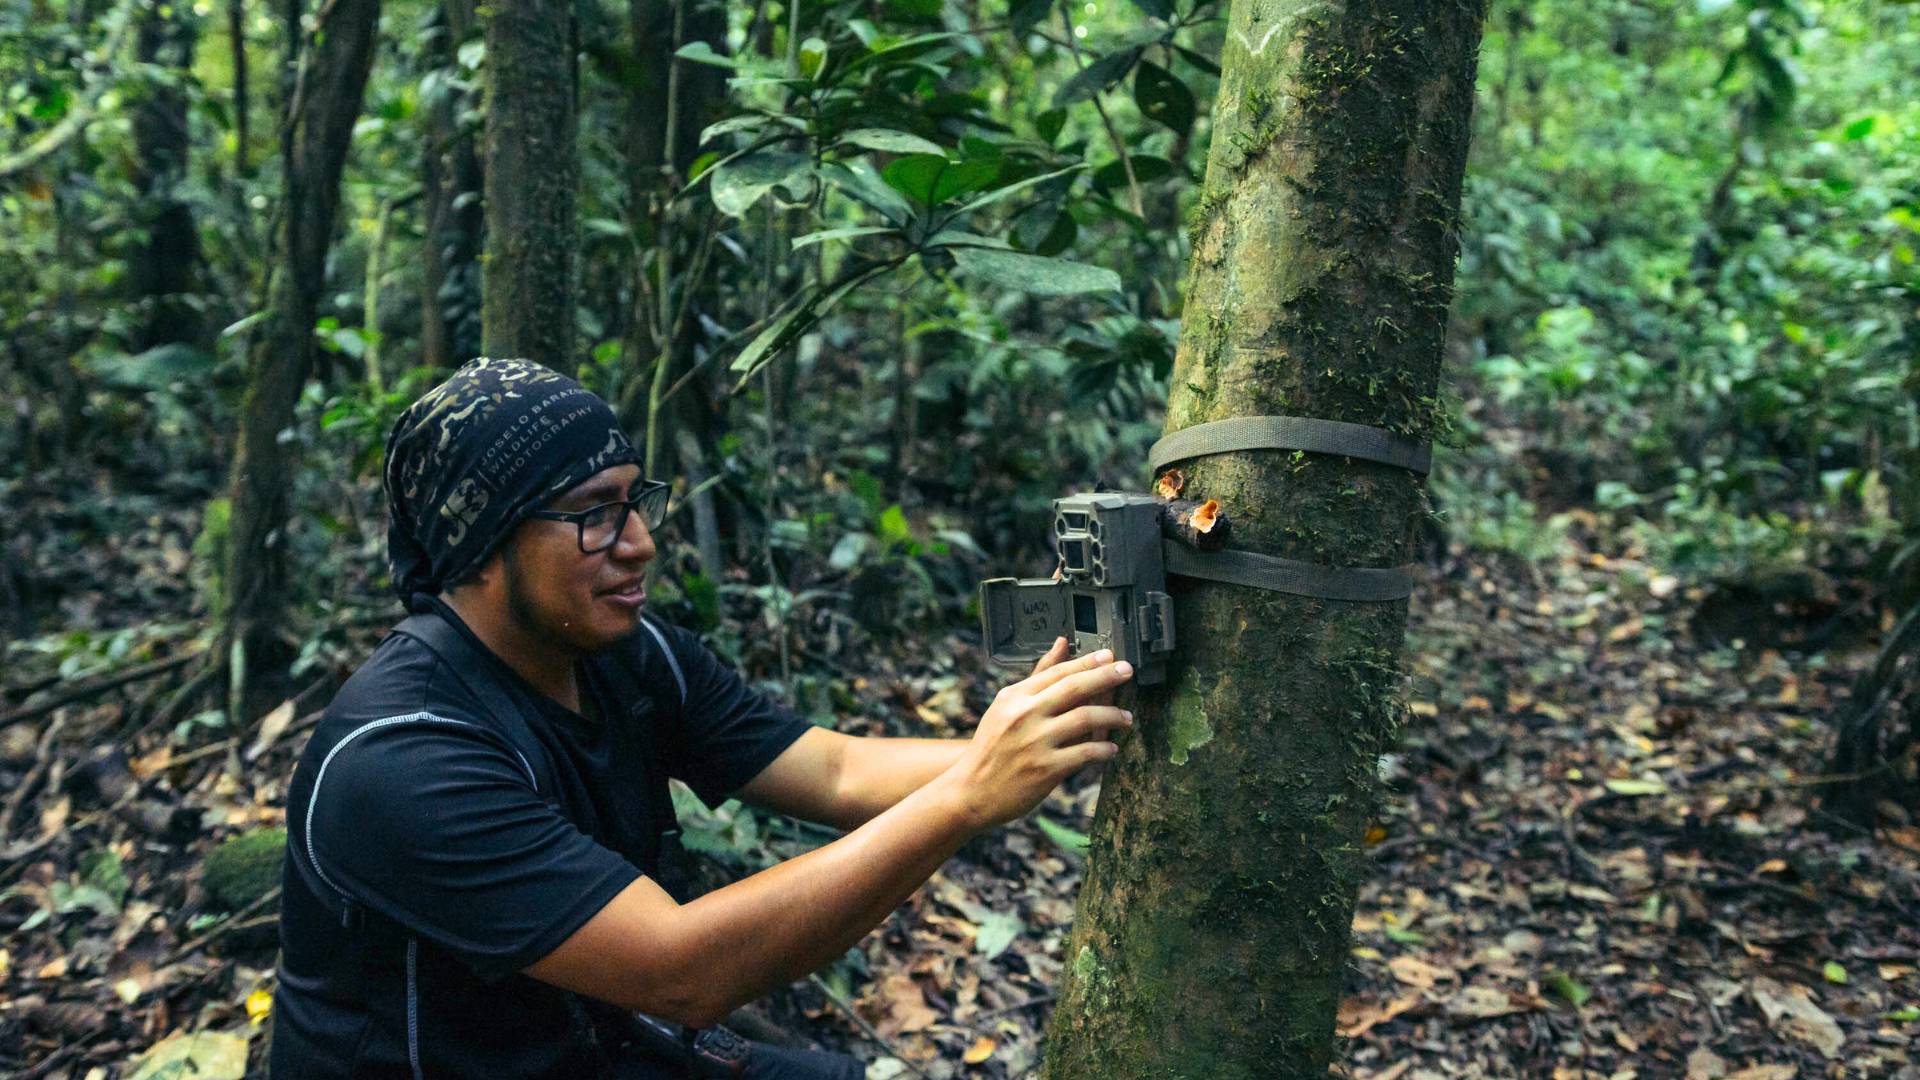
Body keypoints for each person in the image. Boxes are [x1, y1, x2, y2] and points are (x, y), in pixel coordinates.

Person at [269, 358, 1134, 1079]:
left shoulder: (624, 655)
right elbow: (683, 970)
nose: (640, 540)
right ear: (484, 544)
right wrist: (968, 799)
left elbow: (834, 771)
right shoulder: (402, 757)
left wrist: (1051, 728)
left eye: (635, 501)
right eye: (595, 515)